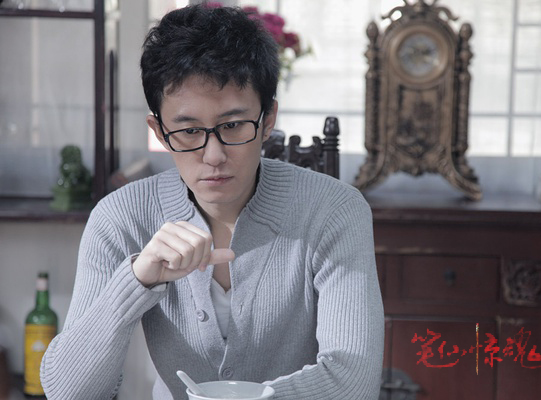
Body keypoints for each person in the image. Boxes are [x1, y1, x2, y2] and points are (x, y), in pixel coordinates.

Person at [40, 4, 384, 399]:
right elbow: (68, 392)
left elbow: (354, 381)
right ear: (159, 130)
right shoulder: (121, 217)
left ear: (268, 119)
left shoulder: (335, 210)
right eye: (188, 131)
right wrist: (137, 280)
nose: (214, 155)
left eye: (233, 125)